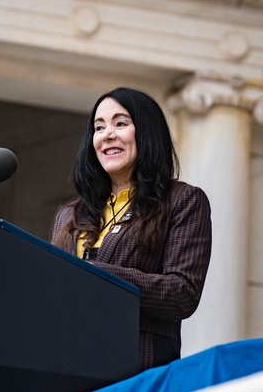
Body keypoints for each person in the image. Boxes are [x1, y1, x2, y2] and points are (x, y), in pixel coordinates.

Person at [51, 87, 213, 371]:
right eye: (98, 127)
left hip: (135, 370)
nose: (107, 134)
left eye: (120, 123)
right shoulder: (69, 215)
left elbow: (182, 293)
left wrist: (98, 275)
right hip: (66, 365)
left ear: (147, 132)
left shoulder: (182, 200)